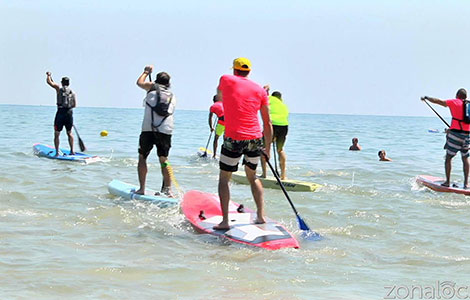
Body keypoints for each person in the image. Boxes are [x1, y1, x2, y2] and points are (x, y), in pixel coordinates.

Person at [214, 57, 272, 230]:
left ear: (234, 70)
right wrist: (267, 148)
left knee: (224, 178)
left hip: (234, 137)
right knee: (252, 177)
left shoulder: (226, 79)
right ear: (249, 71)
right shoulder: (260, 91)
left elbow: (219, 96)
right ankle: (261, 216)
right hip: (255, 138)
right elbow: (267, 123)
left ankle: (225, 221)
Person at [135, 65, 177, 196]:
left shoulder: (151, 88)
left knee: (143, 157)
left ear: (156, 81)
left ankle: (142, 189)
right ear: (168, 84)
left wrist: (146, 72)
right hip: (166, 130)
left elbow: (139, 82)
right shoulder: (172, 95)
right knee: (164, 159)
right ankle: (168, 190)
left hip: (148, 129)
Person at [422, 89, 470, 187]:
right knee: (465, 158)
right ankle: (466, 183)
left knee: (448, 158)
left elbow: (439, 101)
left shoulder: (454, 102)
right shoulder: (469, 105)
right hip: (467, 135)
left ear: (457, 95)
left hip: (455, 134)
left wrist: (427, 98)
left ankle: (447, 182)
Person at [46, 72, 77, 156]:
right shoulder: (72, 92)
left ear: (62, 82)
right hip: (69, 114)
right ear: (69, 83)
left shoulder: (58, 88)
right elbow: (74, 105)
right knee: (70, 133)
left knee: (57, 134)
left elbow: (49, 82)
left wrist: (48, 75)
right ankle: (72, 151)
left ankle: (57, 153)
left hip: (60, 113)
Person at [261, 91, 289, 180]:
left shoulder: (269, 99)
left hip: (272, 125)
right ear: (280, 97)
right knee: (280, 150)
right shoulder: (283, 105)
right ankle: (283, 176)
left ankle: (264, 174)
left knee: (264, 149)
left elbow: (263, 95)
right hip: (284, 126)